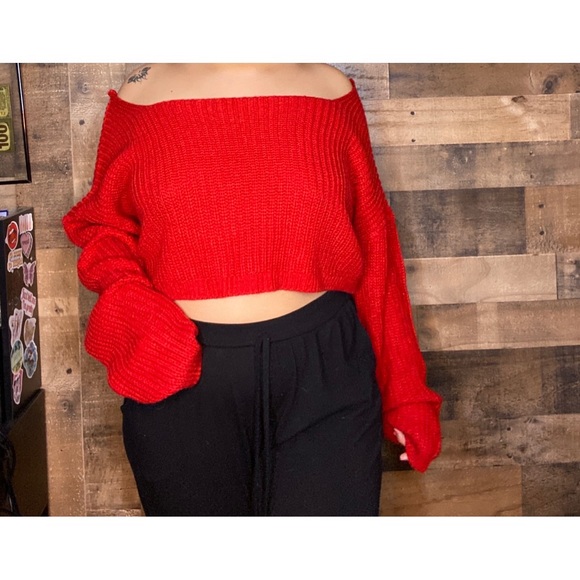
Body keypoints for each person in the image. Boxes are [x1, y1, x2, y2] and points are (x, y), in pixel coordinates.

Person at [62, 63, 442, 516]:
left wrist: (404, 390)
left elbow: (376, 245)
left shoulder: (330, 91)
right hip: (181, 376)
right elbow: (104, 228)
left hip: (326, 373)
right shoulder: (140, 96)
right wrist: (134, 304)